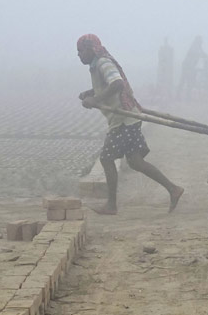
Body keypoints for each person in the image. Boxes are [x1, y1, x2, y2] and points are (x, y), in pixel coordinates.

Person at [77, 34, 184, 215]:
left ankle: (111, 205)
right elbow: (106, 85)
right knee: (135, 161)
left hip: (124, 120)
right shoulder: (96, 66)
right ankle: (173, 189)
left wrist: (96, 99)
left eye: (80, 51)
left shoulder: (103, 63)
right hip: (128, 119)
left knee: (106, 159)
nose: (79, 55)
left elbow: (117, 84)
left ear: (90, 49)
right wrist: (90, 93)